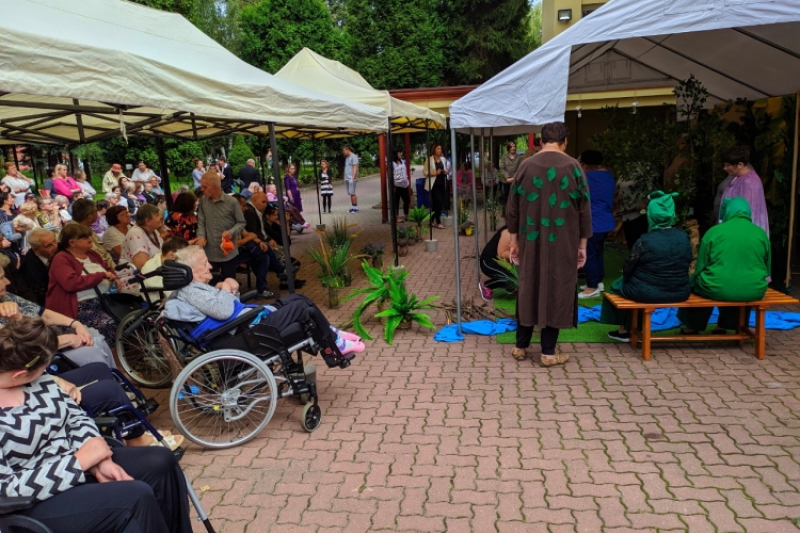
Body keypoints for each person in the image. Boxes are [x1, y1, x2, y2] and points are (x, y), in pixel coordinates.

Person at [0, 318, 193, 533]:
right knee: (134, 497)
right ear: (18, 374)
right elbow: (5, 490)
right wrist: (79, 463)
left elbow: (75, 417)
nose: (46, 373)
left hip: (78, 465)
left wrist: (99, 458)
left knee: (160, 462)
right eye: (42, 369)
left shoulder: (39, 382)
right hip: (33, 503)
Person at [163, 246, 363, 358]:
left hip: (244, 325)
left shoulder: (194, 289)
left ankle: (331, 334)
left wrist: (227, 289)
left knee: (298, 298)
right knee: (301, 308)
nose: (211, 265)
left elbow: (222, 309)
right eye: (204, 263)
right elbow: (224, 312)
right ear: (191, 270)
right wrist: (225, 287)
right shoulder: (194, 292)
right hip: (247, 331)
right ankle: (334, 344)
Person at [506, 122, 592, 367]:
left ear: (541, 141)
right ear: (564, 141)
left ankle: (520, 346)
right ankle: (548, 353)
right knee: (557, 288)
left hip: (529, 238)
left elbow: (512, 208)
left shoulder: (525, 166)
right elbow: (584, 209)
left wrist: (514, 243)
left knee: (528, 285)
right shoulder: (574, 167)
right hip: (564, 241)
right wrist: (582, 245)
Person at [600, 191, 693, 341]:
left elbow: (628, 267)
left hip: (646, 292)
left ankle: (624, 330)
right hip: (679, 291)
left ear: (651, 214)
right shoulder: (683, 237)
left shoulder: (645, 240)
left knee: (620, 285)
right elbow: (687, 260)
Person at [678, 197, 771, 334]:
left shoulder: (714, 232)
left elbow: (701, 266)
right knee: (741, 286)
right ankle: (728, 325)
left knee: (700, 284)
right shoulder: (761, 234)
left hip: (716, 287)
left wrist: (691, 281)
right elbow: (767, 267)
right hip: (753, 289)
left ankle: (692, 326)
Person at [46, 223, 119, 342]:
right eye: (85, 238)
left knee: (131, 317)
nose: (90, 240)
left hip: (106, 300)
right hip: (80, 306)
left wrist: (115, 278)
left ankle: (131, 353)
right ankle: (113, 357)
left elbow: (108, 269)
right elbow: (71, 283)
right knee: (109, 325)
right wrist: (101, 275)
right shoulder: (61, 258)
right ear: (72, 242)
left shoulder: (92, 254)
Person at [578, 150, 616, 299]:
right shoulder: (608, 175)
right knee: (598, 251)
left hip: (593, 222)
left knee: (590, 254)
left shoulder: (586, 177)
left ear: (585, 164)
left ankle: (592, 286)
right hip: (606, 220)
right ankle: (598, 281)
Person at [196, 172, 246, 281]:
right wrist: (201, 236)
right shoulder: (203, 201)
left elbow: (241, 222)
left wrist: (231, 232)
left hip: (227, 253)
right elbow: (201, 222)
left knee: (229, 282)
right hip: (209, 252)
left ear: (214, 186)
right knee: (211, 283)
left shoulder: (232, 202)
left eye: (204, 187)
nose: (202, 190)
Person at [720, 146, 769, 236]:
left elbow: (745, 213)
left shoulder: (748, 182)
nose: (725, 168)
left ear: (740, 165)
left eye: (728, 165)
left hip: (744, 234)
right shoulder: (738, 178)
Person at [69, 199, 116, 268]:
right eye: (96, 212)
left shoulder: (85, 227)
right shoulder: (74, 232)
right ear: (90, 217)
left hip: (110, 269)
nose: (97, 214)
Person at [141, 236, 190, 301]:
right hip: (161, 304)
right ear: (172, 255)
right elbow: (170, 294)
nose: (186, 258)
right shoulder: (151, 269)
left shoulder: (164, 260)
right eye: (184, 255)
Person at [120, 204, 164, 271]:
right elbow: (143, 266)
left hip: (155, 273)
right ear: (148, 221)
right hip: (134, 277)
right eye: (157, 215)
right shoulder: (135, 232)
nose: (161, 217)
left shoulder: (153, 231)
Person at [21, 228, 56, 306]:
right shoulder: (29, 266)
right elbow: (40, 293)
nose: (55, 246)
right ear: (36, 249)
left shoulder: (57, 251)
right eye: (49, 245)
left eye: (55, 241)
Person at [478, 225, 513, 301]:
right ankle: (486, 286)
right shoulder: (507, 231)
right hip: (488, 262)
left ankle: (509, 288)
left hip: (501, 263)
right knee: (509, 278)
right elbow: (502, 253)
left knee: (514, 278)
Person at [424, 144, 448, 229]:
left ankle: (431, 220)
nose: (440, 150)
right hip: (433, 184)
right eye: (438, 148)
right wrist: (435, 173)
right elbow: (425, 172)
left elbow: (444, 169)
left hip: (441, 183)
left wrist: (445, 172)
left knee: (436, 204)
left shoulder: (442, 159)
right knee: (438, 202)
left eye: (441, 148)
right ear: (434, 150)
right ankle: (438, 222)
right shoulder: (429, 160)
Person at [499, 141, 523, 209]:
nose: (513, 148)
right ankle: (506, 211)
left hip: (515, 180)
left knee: (515, 196)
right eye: (511, 147)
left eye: (514, 146)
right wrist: (507, 177)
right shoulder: (504, 157)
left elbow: (519, 168)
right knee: (506, 196)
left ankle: (514, 211)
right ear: (508, 148)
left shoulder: (519, 157)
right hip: (506, 181)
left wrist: (513, 178)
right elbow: (502, 168)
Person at [393, 151, 411, 222]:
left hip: (404, 184)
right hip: (396, 185)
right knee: (396, 202)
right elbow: (390, 175)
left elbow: (405, 172)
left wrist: (406, 180)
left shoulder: (402, 162)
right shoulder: (392, 164)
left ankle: (406, 215)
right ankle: (396, 217)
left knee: (407, 200)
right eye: (399, 153)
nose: (401, 154)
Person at [343, 145, 359, 213]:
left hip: (351, 178)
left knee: (352, 193)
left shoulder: (353, 157)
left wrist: (353, 177)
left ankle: (355, 207)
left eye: (344, 150)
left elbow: (355, 167)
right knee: (350, 193)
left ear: (347, 149)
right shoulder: (347, 158)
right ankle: (353, 207)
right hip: (347, 177)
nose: (343, 152)